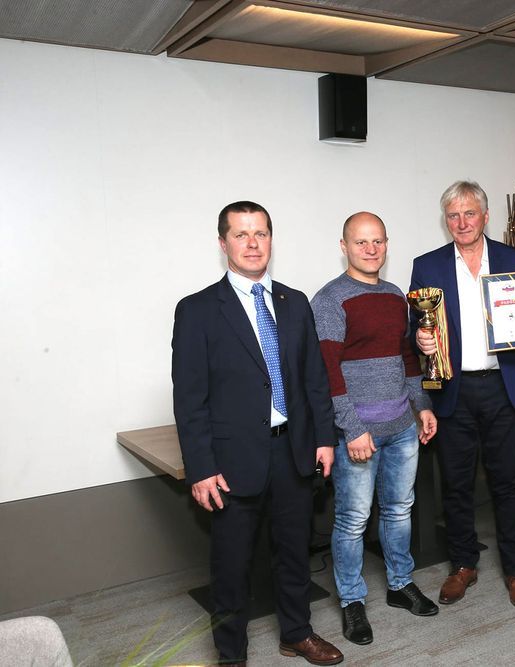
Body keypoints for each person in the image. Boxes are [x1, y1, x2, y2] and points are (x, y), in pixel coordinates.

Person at [172, 201, 343, 666]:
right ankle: (231, 655)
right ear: (223, 242)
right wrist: (201, 468)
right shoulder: (197, 310)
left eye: (261, 233)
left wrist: (323, 439)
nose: (252, 243)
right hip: (232, 462)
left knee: (294, 553)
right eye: (241, 234)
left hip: (293, 451)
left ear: (271, 239)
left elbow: (314, 379)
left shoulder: (294, 302)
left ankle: (297, 633)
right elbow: (190, 400)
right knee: (231, 566)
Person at [409, 181, 515, 611]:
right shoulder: (427, 265)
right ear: (446, 220)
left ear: (485, 217)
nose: (462, 222)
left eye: (469, 213)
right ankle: (463, 565)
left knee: (507, 483)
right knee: (456, 485)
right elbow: (414, 326)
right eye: (453, 215)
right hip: (453, 389)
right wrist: (420, 339)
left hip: (501, 387)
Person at [311, 212, 439, 646]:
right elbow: (328, 373)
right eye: (361, 241)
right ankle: (352, 600)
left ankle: (401, 583)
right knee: (352, 520)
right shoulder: (330, 299)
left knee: (400, 510)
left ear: (386, 244)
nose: (371, 249)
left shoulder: (395, 295)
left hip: (402, 427)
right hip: (359, 433)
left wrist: (421, 406)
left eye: (378, 241)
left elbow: (407, 359)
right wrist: (352, 428)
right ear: (344, 246)